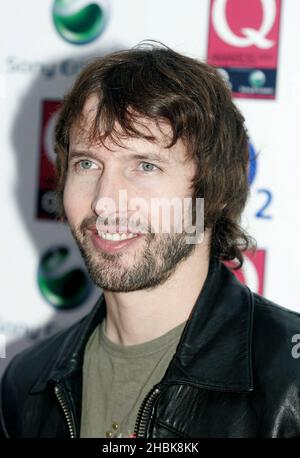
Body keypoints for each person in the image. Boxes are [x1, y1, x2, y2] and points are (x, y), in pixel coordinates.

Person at [1, 42, 300, 439]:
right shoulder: (28, 384)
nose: (105, 200)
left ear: (211, 192)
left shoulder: (290, 385)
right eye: (87, 163)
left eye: (145, 165)